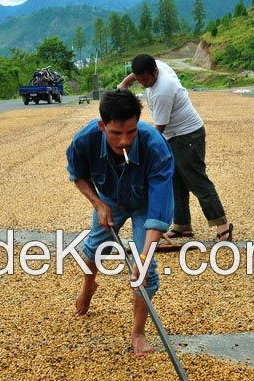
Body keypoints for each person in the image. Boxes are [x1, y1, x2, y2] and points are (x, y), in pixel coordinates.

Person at [67, 89, 174, 356]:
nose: (124, 141)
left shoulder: (156, 147)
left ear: (138, 124)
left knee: (145, 272)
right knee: (93, 249)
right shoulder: (84, 141)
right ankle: (89, 285)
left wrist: (145, 255)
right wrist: (98, 204)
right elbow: (78, 176)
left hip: (145, 202)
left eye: (131, 132)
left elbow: (159, 211)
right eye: (116, 133)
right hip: (109, 198)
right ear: (103, 126)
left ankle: (138, 333)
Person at [118, 54, 233, 243]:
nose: (143, 83)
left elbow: (158, 131)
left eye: (145, 79)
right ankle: (182, 225)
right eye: (139, 80)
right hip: (174, 136)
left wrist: (141, 149)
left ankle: (222, 225)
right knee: (175, 181)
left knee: (197, 181)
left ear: (155, 72)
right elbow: (136, 74)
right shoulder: (156, 66)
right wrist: (124, 84)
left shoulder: (163, 90)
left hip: (187, 136)